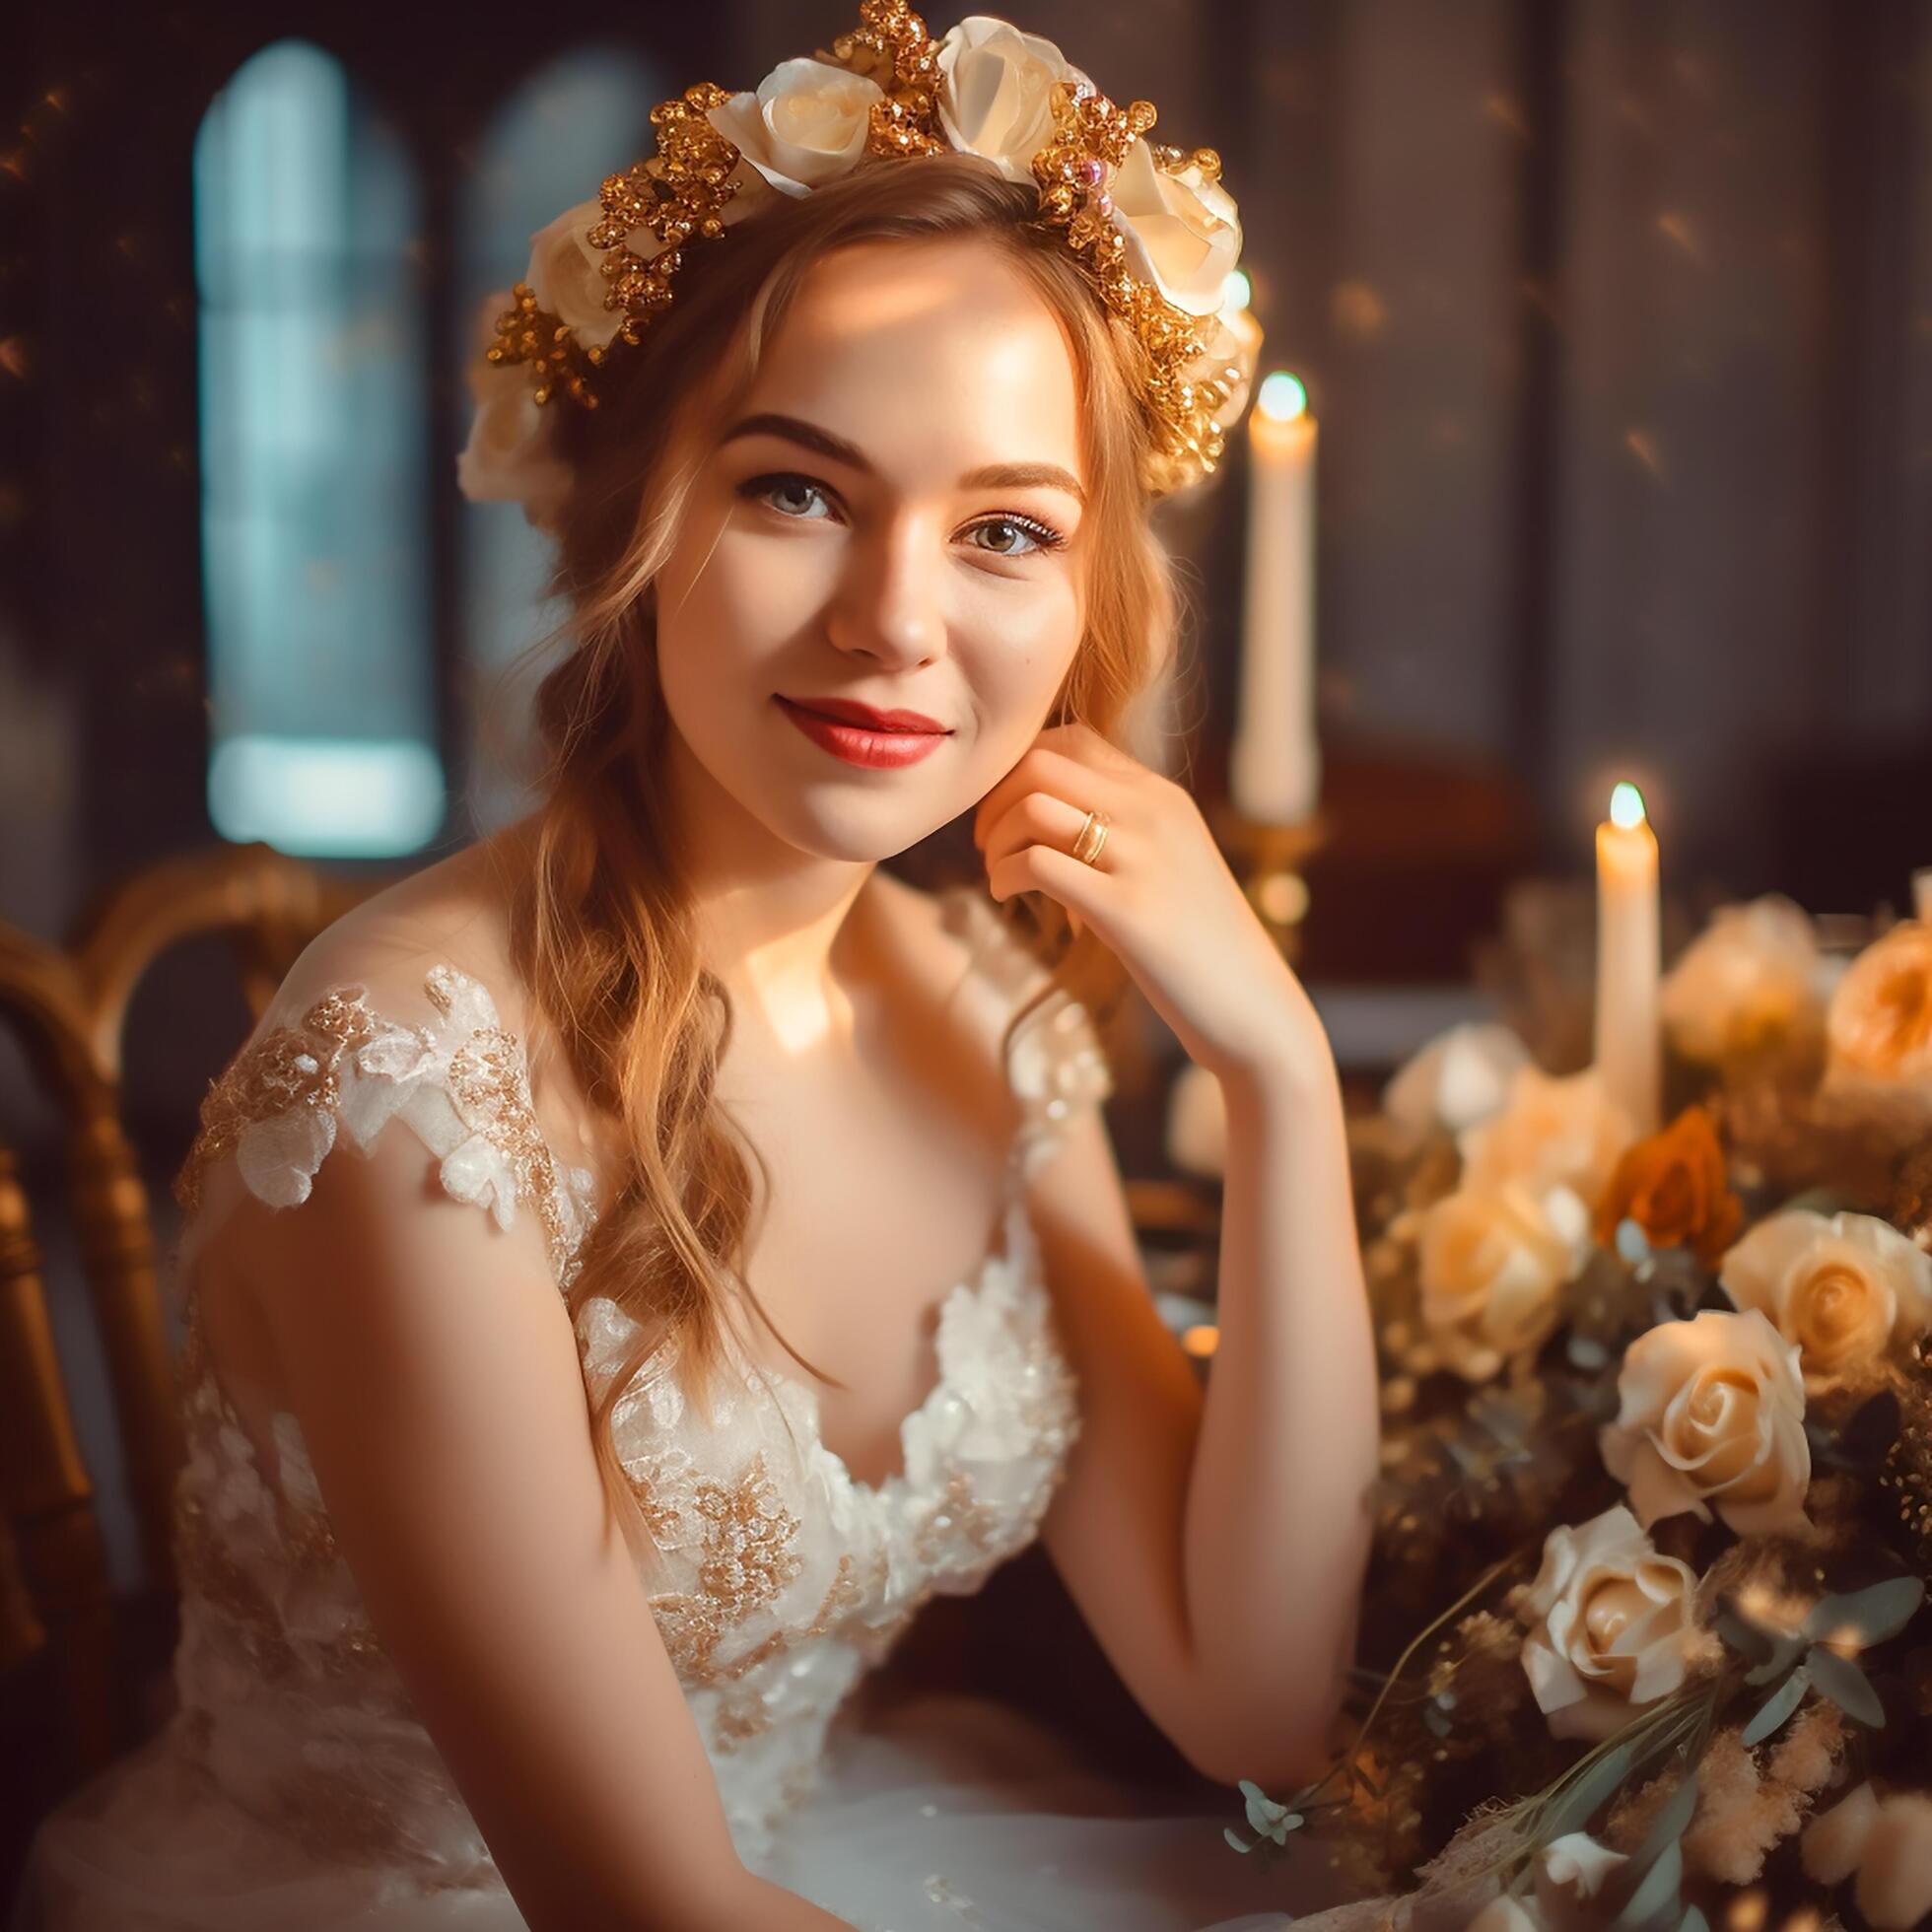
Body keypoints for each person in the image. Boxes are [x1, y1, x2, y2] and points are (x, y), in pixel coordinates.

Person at [11, 9, 1382, 1927]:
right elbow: (642, 1902)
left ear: (1086, 603)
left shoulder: (987, 1020)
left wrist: (1277, 1075)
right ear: (636, 518)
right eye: (796, 491)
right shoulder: (407, 1081)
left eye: (1001, 530)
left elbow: (1257, 1701)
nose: (895, 619)